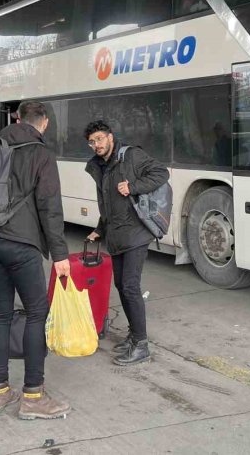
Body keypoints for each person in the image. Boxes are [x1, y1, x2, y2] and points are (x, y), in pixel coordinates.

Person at [0, 101, 71, 419]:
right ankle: (33, 395)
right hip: (21, 244)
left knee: (1, 315)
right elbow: (50, 206)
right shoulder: (41, 153)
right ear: (43, 122)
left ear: (17, 119)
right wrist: (60, 254)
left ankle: (0, 392)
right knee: (36, 314)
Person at [84, 120, 169, 366]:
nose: (96, 145)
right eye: (91, 141)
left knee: (130, 286)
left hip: (136, 232)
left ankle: (141, 345)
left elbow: (161, 173)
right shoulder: (100, 166)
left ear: (110, 137)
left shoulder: (131, 156)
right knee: (121, 285)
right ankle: (134, 335)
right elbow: (108, 204)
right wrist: (99, 230)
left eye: (99, 139)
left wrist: (133, 187)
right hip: (117, 233)